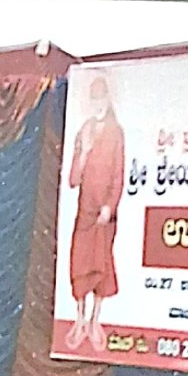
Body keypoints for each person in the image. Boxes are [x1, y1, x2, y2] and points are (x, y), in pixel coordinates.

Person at [65, 74, 125, 352]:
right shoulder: (84, 131)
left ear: (107, 99)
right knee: (80, 265)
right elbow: (73, 180)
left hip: (105, 214)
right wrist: (85, 152)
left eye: (101, 96)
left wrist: (109, 207)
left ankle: (94, 321)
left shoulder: (116, 131)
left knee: (101, 267)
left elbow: (118, 173)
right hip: (85, 211)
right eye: (94, 97)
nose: (97, 102)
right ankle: (78, 319)